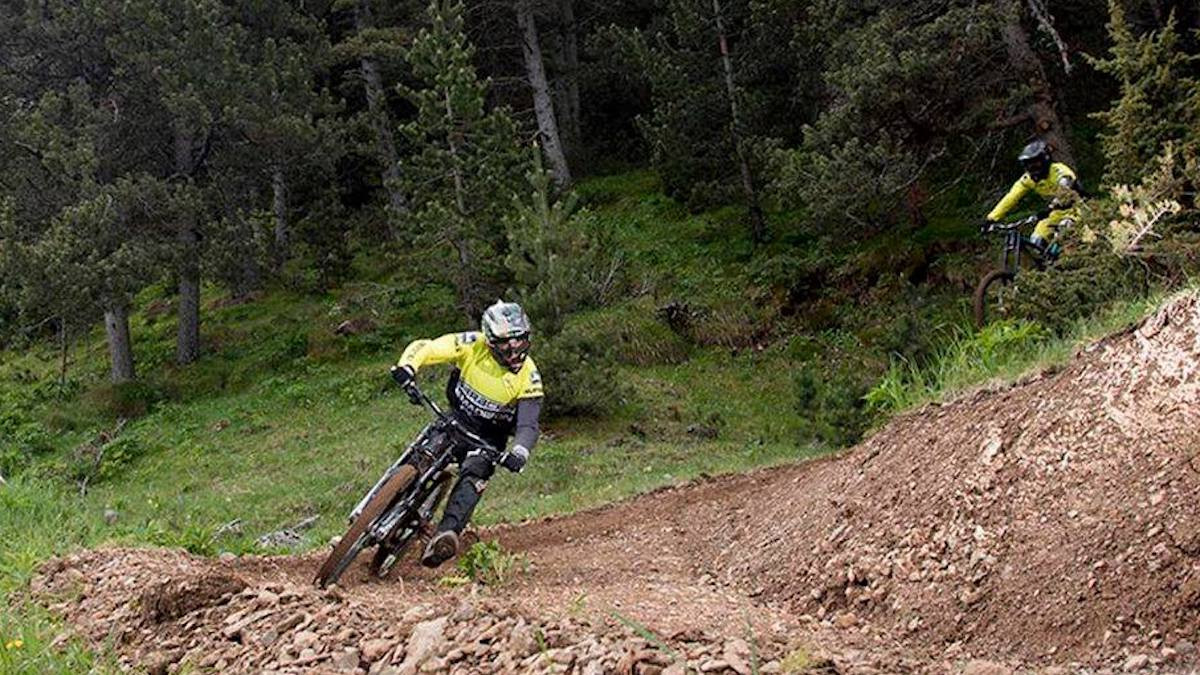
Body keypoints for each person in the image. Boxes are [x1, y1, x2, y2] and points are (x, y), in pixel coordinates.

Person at [389, 300, 543, 568]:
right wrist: (408, 368)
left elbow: (528, 425)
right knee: (420, 456)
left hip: (487, 438)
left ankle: (445, 535)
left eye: (519, 341)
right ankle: (375, 509)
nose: (514, 349)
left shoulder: (529, 377)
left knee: (475, 474)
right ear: (491, 341)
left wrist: (519, 452)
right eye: (506, 343)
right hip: (456, 419)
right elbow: (428, 347)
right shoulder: (474, 343)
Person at [984, 139, 1085, 259]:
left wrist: (1055, 203)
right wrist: (991, 218)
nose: (1032, 168)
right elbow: (1011, 197)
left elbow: (1065, 185)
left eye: (1035, 163)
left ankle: (1074, 265)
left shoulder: (1058, 170)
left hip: (1076, 210)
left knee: (1065, 233)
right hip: (1053, 214)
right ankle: (1047, 271)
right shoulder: (1028, 179)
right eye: (1028, 164)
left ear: (1045, 160)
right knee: (1036, 241)